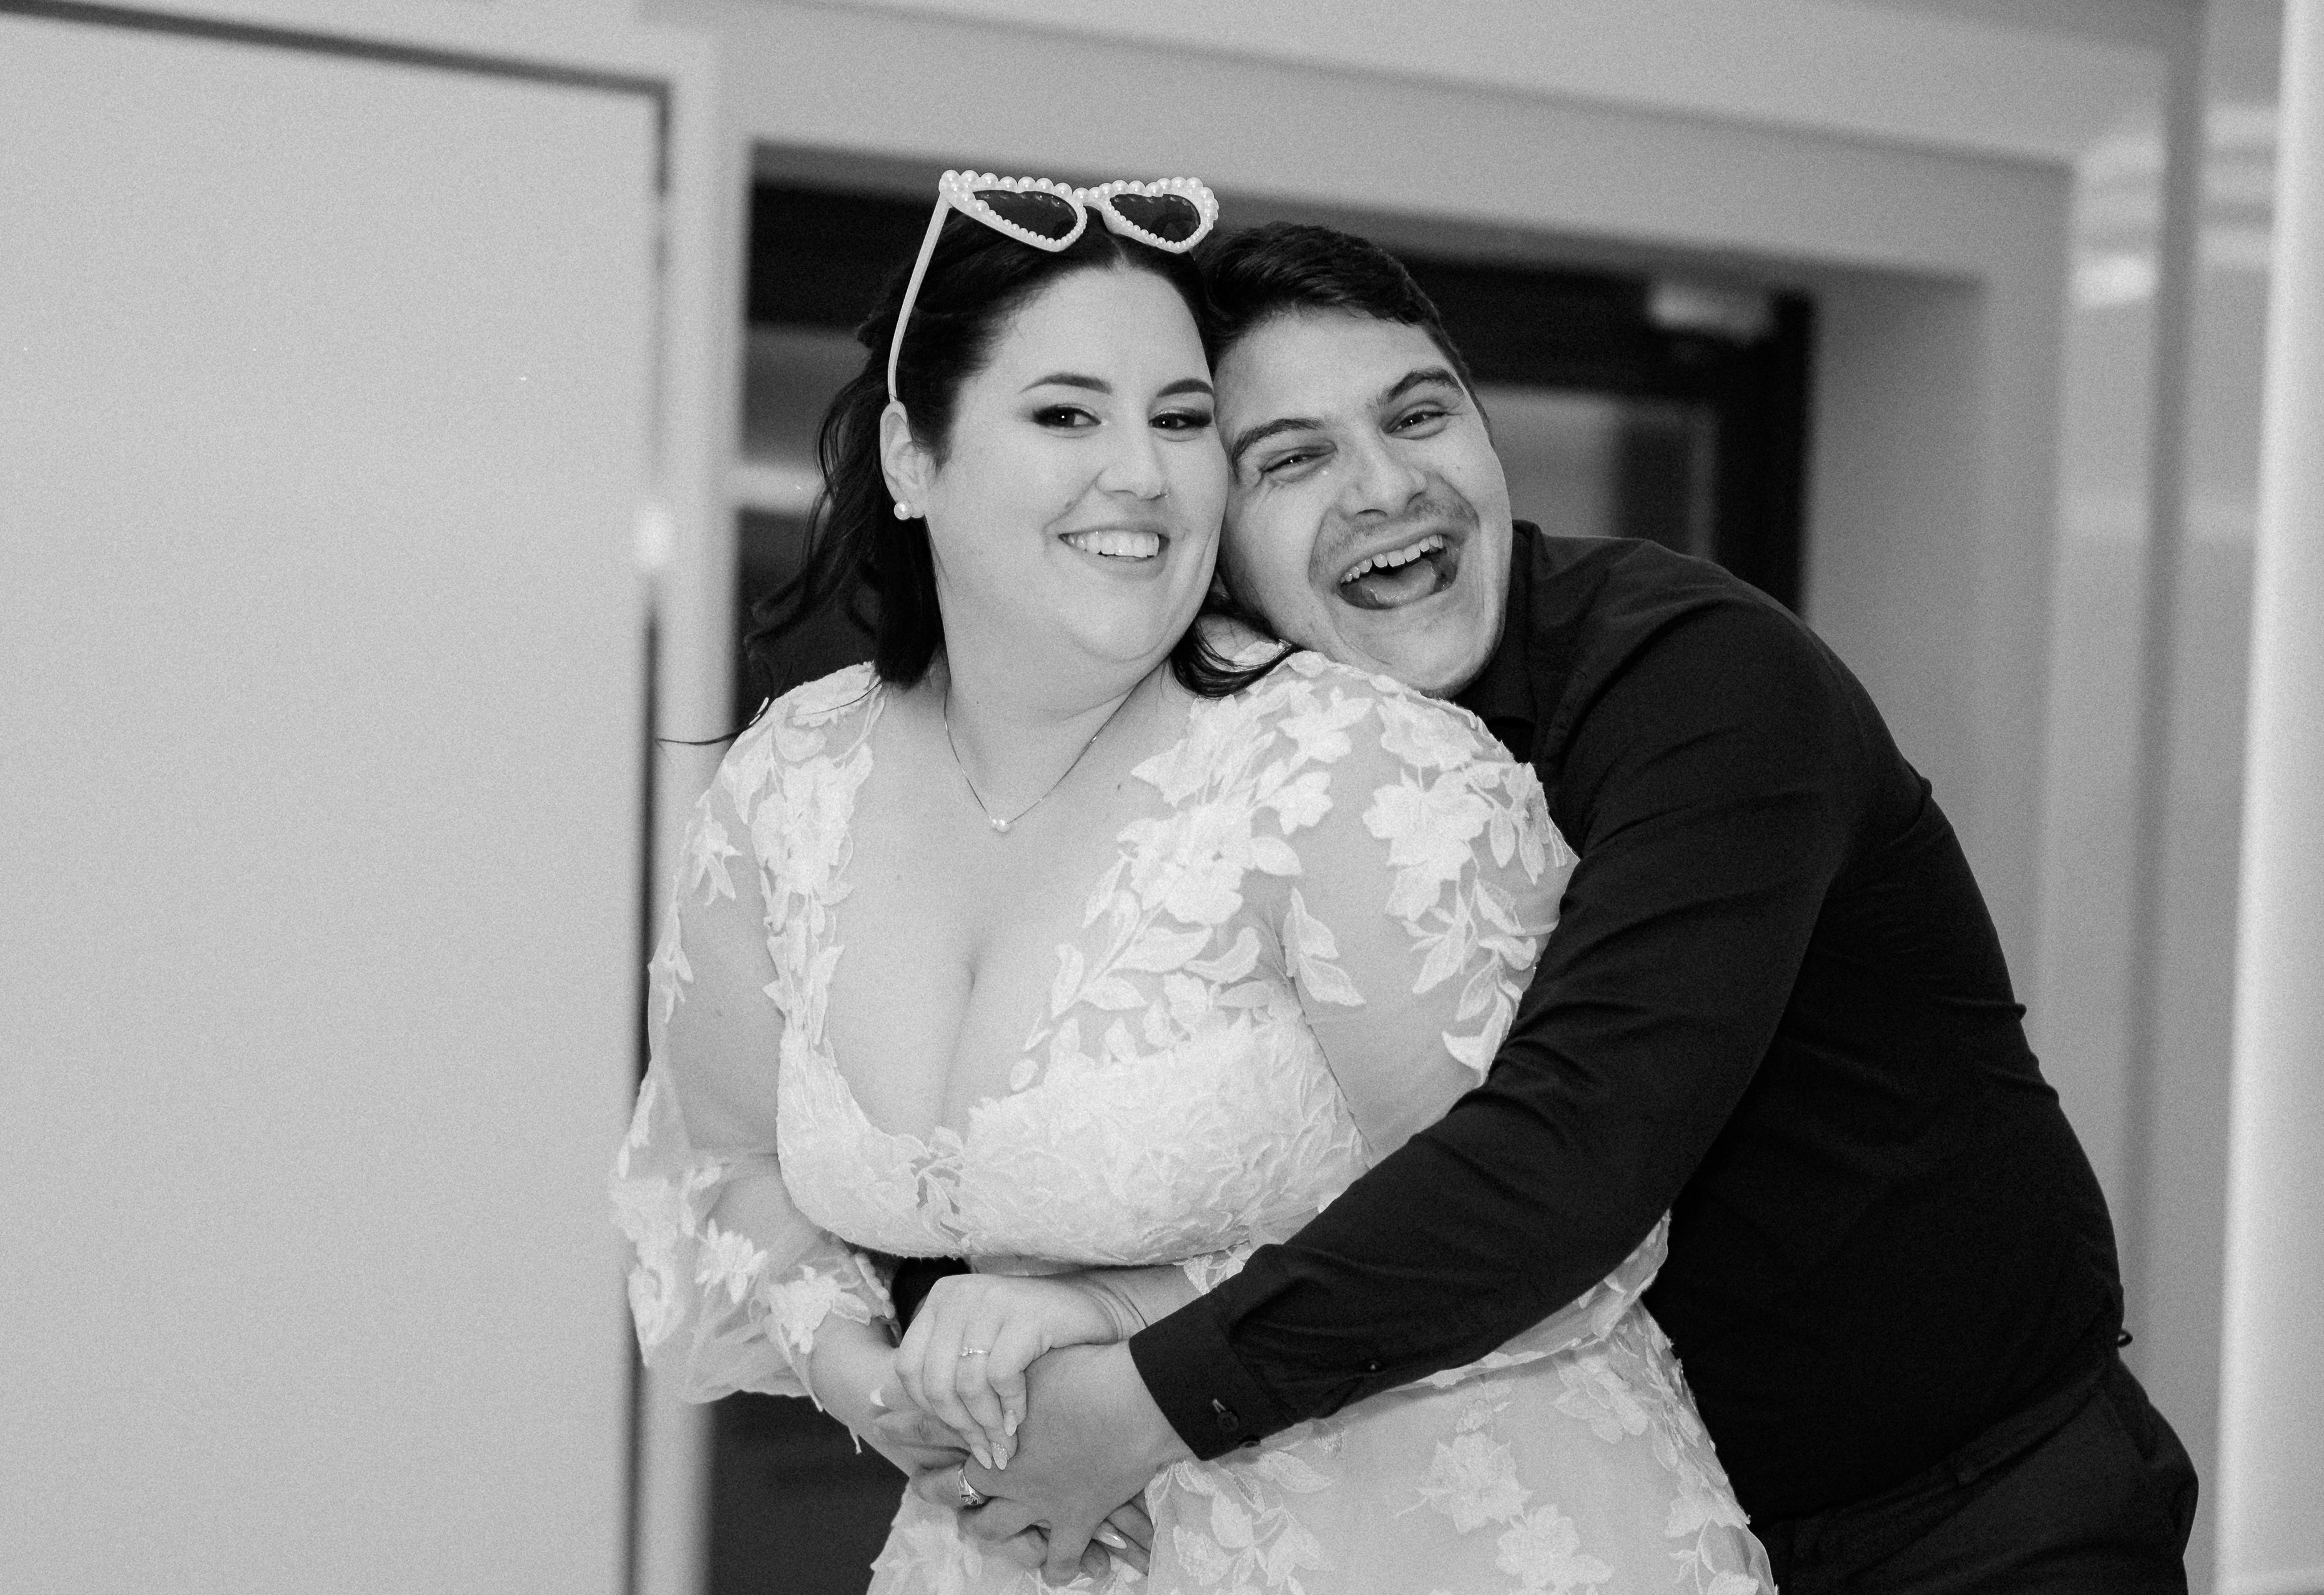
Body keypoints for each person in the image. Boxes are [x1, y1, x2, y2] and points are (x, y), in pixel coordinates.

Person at [938, 223, 2199, 1594]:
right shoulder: (1209, 770)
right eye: (1290, 460)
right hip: (1625, 1531)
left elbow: (1582, 1142)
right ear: (1214, 552)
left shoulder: (1705, 679)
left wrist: (1145, 1405)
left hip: (1977, 1514)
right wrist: (991, 1333)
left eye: (1419, 415)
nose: (1387, 486)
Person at [612, 174, 1773, 1593]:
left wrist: (1116, 1312)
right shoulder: (793, 785)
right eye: (1066, 415)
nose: (1142, 474)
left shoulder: (1352, 769)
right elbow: (728, 1169)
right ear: (913, 457)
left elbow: (1559, 1235)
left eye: (1179, 421)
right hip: (1007, 1539)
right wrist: (877, 1380)